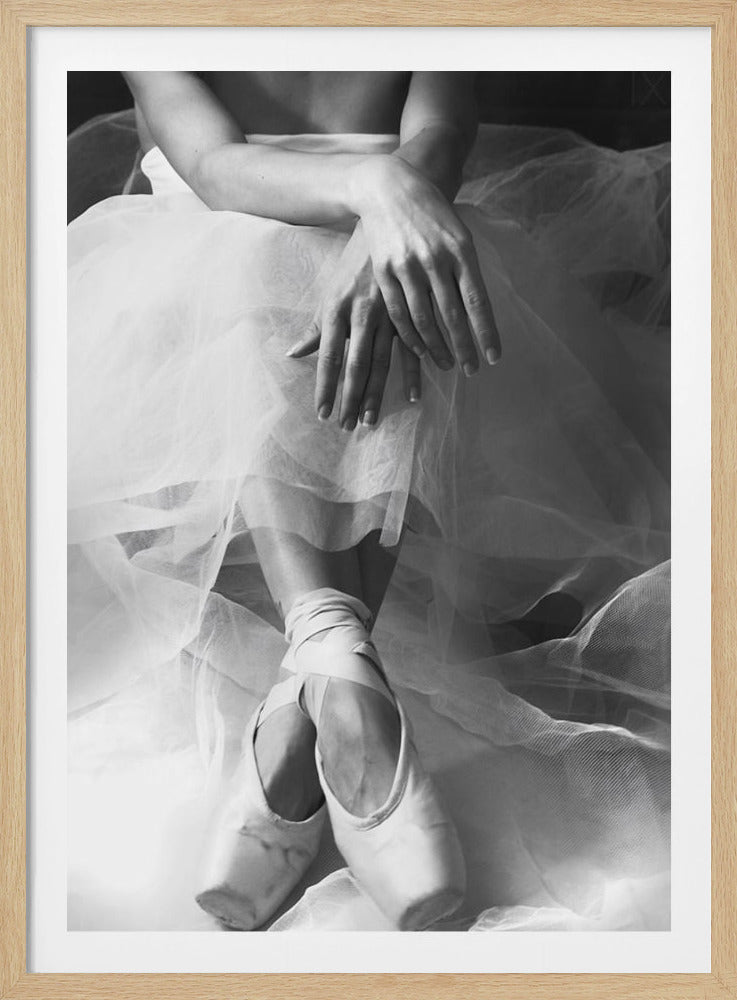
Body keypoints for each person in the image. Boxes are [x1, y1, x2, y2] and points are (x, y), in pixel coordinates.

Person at [67, 71, 671, 932]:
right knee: (247, 260)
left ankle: (320, 673)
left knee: (394, 276)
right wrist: (372, 186)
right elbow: (209, 165)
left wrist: (391, 208)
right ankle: (336, 673)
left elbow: (442, 125)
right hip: (202, 256)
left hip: (413, 222)